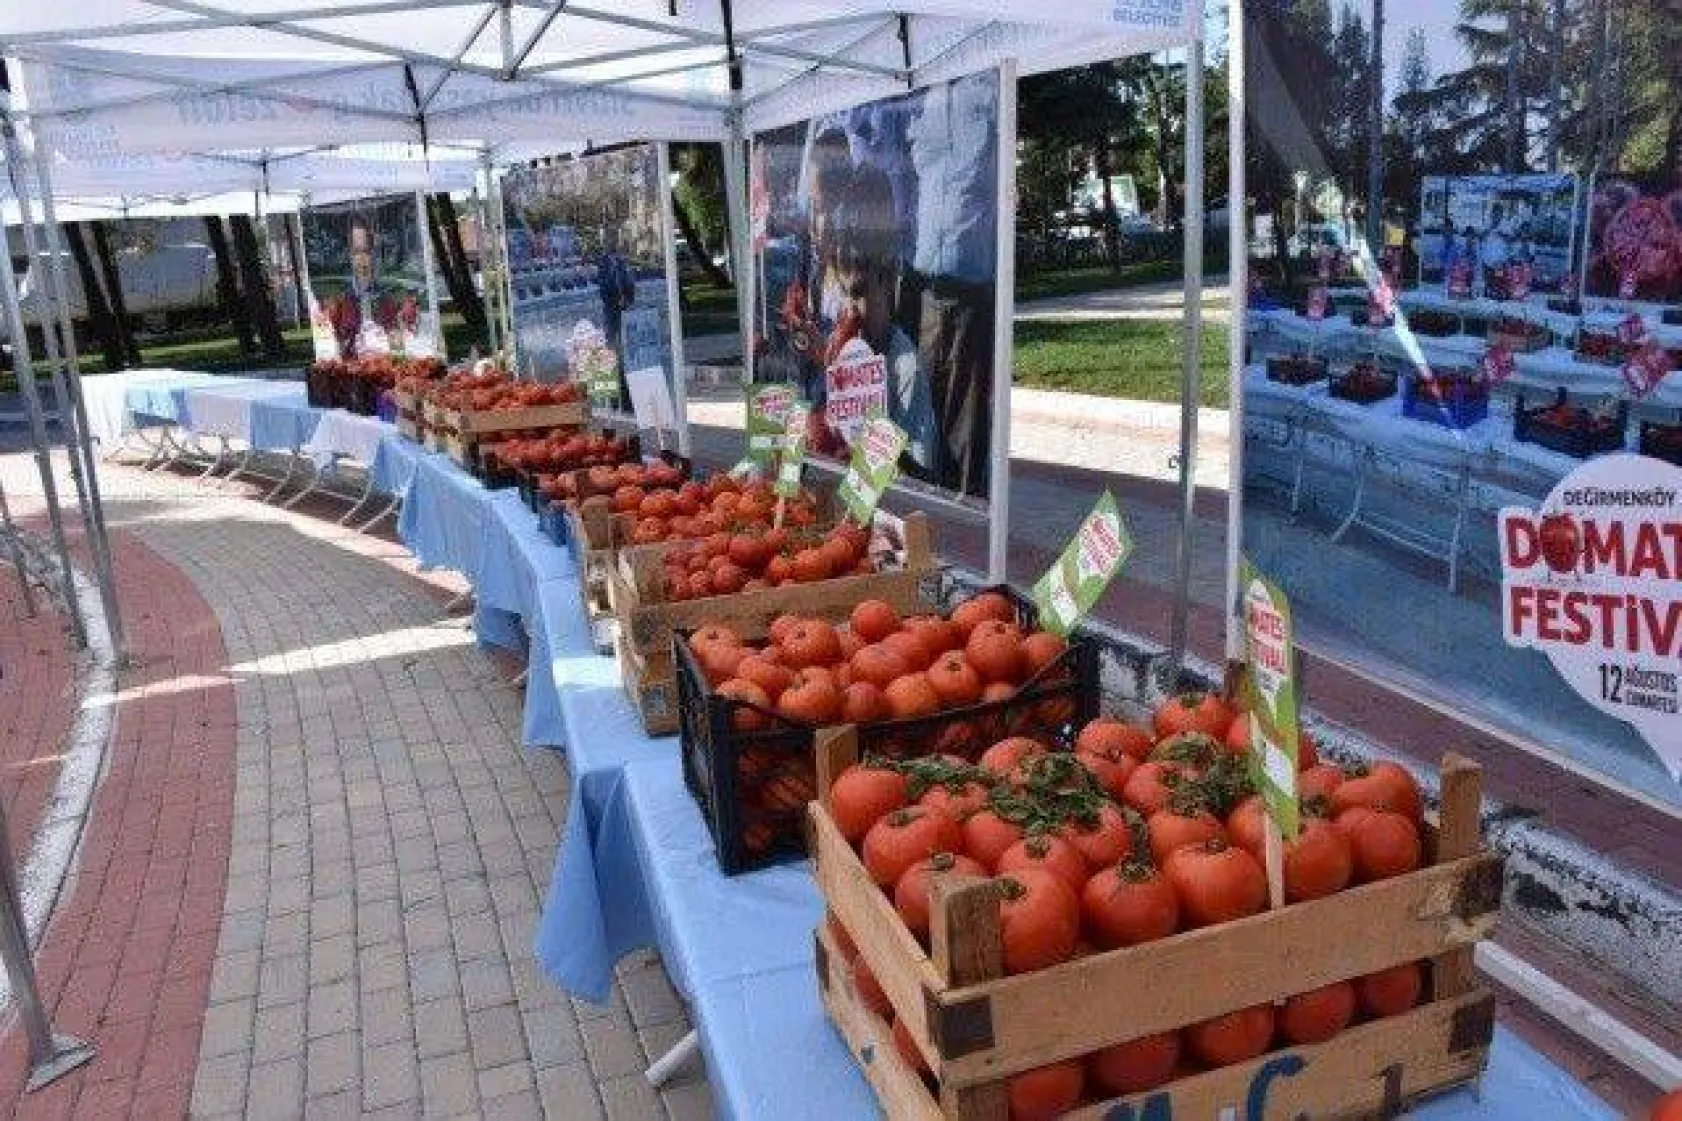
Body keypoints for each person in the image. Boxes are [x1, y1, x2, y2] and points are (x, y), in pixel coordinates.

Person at [903, 72, 999, 496]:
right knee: (925, 404)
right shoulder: (931, 93)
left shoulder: (989, 84)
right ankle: (933, 499)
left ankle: (969, 505)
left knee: (967, 416)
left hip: (971, 280)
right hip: (925, 279)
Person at [814, 165, 937, 473]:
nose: (850, 310)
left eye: (859, 294)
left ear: (887, 282)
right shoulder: (840, 351)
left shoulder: (904, 368)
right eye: (843, 296)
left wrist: (880, 441)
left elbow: (922, 474)